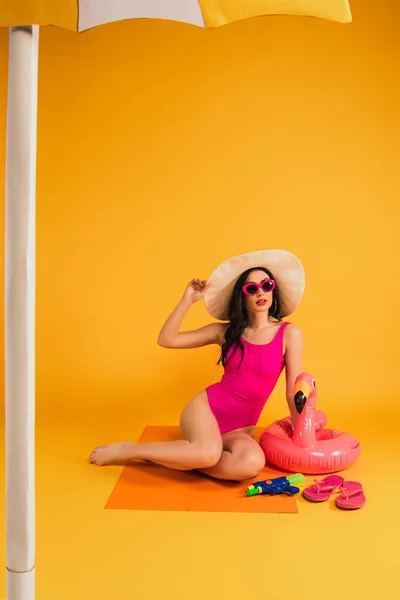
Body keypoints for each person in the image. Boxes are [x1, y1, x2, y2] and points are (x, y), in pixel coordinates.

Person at [90, 249, 305, 482]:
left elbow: (293, 391)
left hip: (240, 430)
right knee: (208, 453)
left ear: (274, 288)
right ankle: (130, 450)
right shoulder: (225, 331)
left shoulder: (289, 334)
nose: (260, 292)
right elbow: (167, 339)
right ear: (241, 296)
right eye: (251, 289)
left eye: (266, 285)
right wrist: (187, 300)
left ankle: (183, 458)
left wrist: (301, 436)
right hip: (206, 410)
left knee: (251, 464)